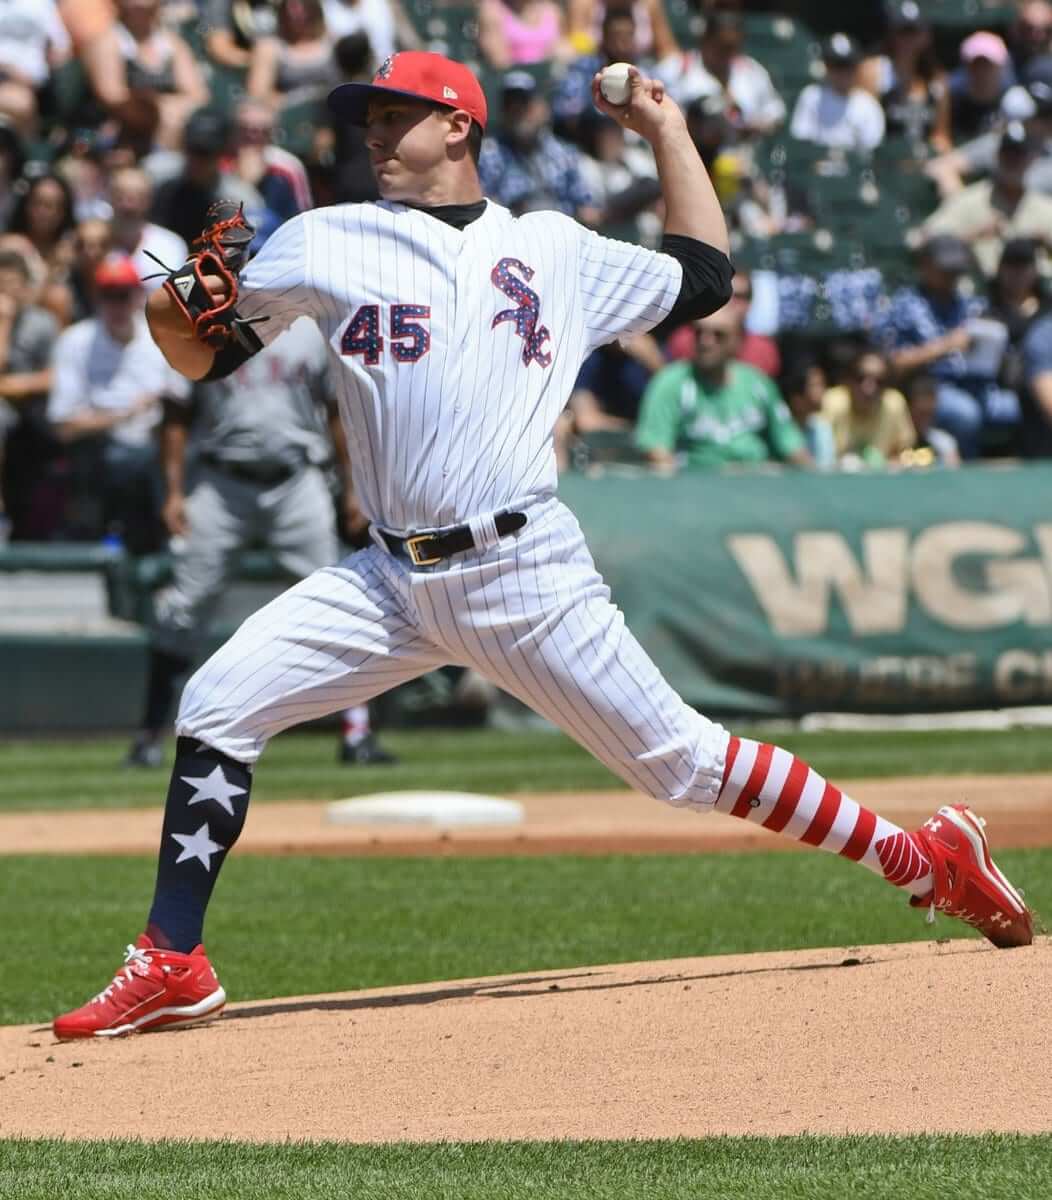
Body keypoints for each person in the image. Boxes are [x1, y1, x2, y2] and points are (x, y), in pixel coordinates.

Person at [51, 52, 1032, 1041]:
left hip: (521, 572)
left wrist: (667, 133)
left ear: (460, 129)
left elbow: (704, 277)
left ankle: (922, 858)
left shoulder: (553, 246)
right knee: (217, 703)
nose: (374, 133)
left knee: (682, 768)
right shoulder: (325, 238)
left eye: (397, 116)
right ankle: (173, 957)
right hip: (389, 579)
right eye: (368, 119)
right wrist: (172, 312)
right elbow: (208, 351)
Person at [127, 318, 394, 768]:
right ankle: (149, 736)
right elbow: (176, 413)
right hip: (219, 480)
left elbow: (337, 412)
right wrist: (174, 492)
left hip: (297, 478)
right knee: (183, 606)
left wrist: (353, 487)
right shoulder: (206, 324)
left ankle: (356, 734)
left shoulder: (311, 328)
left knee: (341, 602)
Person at [46, 253, 181, 552]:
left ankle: (162, 542)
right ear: (97, 298)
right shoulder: (76, 341)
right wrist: (124, 414)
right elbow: (62, 425)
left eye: (123, 295)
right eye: (109, 296)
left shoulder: (160, 340)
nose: (116, 305)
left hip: (151, 451)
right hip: (98, 451)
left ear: (138, 296)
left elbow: (178, 408)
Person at [877, 234, 1009, 458]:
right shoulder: (906, 305)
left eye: (957, 270)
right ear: (925, 266)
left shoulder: (971, 304)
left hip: (979, 383)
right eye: (946, 270)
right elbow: (893, 362)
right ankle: (968, 475)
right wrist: (945, 346)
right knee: (966, 413)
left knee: (1014, 408)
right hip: (931, 387)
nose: (952, 276)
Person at [636, 304, 811, 470]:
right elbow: (657, 451)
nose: (706, 342)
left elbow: (792, 446)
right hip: (694, 488)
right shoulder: (671, 382)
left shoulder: (758, 384)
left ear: (738, 341)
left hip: (755, 486)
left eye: (718, 335)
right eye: (699, 333)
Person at [921, 123, 1052, 277]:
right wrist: (973, 235)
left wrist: (1044, 240)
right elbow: (923, 241)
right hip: (979, 293)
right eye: (1008, 154)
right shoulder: (968, 201)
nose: (1013, 161)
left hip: (1038, 294)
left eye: (1019, 155)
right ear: (997, 156)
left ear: (1031, 160)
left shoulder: (1045, 208)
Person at [477, 71, 599, 222]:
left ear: (543, 108)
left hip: (562, 236)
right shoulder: (488, 154)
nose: (518, 111)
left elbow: (586, 208)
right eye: (510, 104)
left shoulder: (565, 155)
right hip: (511, 237)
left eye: (525, 104)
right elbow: (482, 207)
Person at [0, 248, 59, 541]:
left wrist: (18, 385)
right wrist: (4, 323)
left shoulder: (43, 322)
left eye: (14, 285)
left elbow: (55, 376)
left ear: (26, 286)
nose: (9, 293)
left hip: (34, 409)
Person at [656, 12, 785, 139]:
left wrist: (755, 125)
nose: (727, 53)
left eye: (733, 47)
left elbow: (776, 113)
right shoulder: (678, 68)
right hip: (689, 148)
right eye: (722, 46)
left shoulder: (752, 72)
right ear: (705, 40)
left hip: (741, 153)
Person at [858, 1, 951, 154]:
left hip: (923, 162)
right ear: (891, 34)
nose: (908, 40)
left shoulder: (937, 80)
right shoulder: (874, 71)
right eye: (902, 32)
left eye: (914, 31)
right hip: (884, 160)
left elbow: (941, 136)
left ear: (926, 36)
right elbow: (864, 122)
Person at [790, 33, 886, 155]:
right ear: (826, 66)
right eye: (836, 65)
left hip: (855, 171)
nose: (842, 72)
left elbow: (871, 151)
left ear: (856, 67)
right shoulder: (811, 96)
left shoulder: (868, 105)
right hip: (816, 168)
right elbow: (801, 143)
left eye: (847, 65)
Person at [821, 347, 916, 467]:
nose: (869, 388)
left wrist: (888, 464)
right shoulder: (833, 402)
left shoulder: (894, 404)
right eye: (861, 378)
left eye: (879, 381)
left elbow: (906, 452)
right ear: (847, 380)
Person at [246, 0, 339, 111]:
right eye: (291, 7)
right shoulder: (269, 47)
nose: (297, 13)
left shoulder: (332, 40)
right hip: (289, 114)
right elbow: (257, 94)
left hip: (331, 113)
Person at [108, 165, 189, 291]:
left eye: (136, 197)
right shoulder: (93, 243)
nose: (128, 205)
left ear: (149, 200)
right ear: (109, 197)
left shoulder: (172, 245)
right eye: (120, 196)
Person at [949, 31, 1013, 144]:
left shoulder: (1013, 104)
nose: (981, 71)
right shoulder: (951, 104)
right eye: (976, 64)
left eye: (987, 65)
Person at [478, 0, 569, 70]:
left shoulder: (552, 10)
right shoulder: (493, 9)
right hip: (511, 83)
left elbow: (561, 49)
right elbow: (499, 61)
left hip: (547, 82)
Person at [782, 359, 836, 469]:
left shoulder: (822, 428)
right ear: (796, 395)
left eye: (823, 384)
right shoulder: (778, 429)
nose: (822, 391)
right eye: (815, 385)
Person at [902, 372, 960, 466]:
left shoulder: (945, 443)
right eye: (921, 413)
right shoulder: (896, 443)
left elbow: (954, 474)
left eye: (930, 413)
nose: (926, 420)